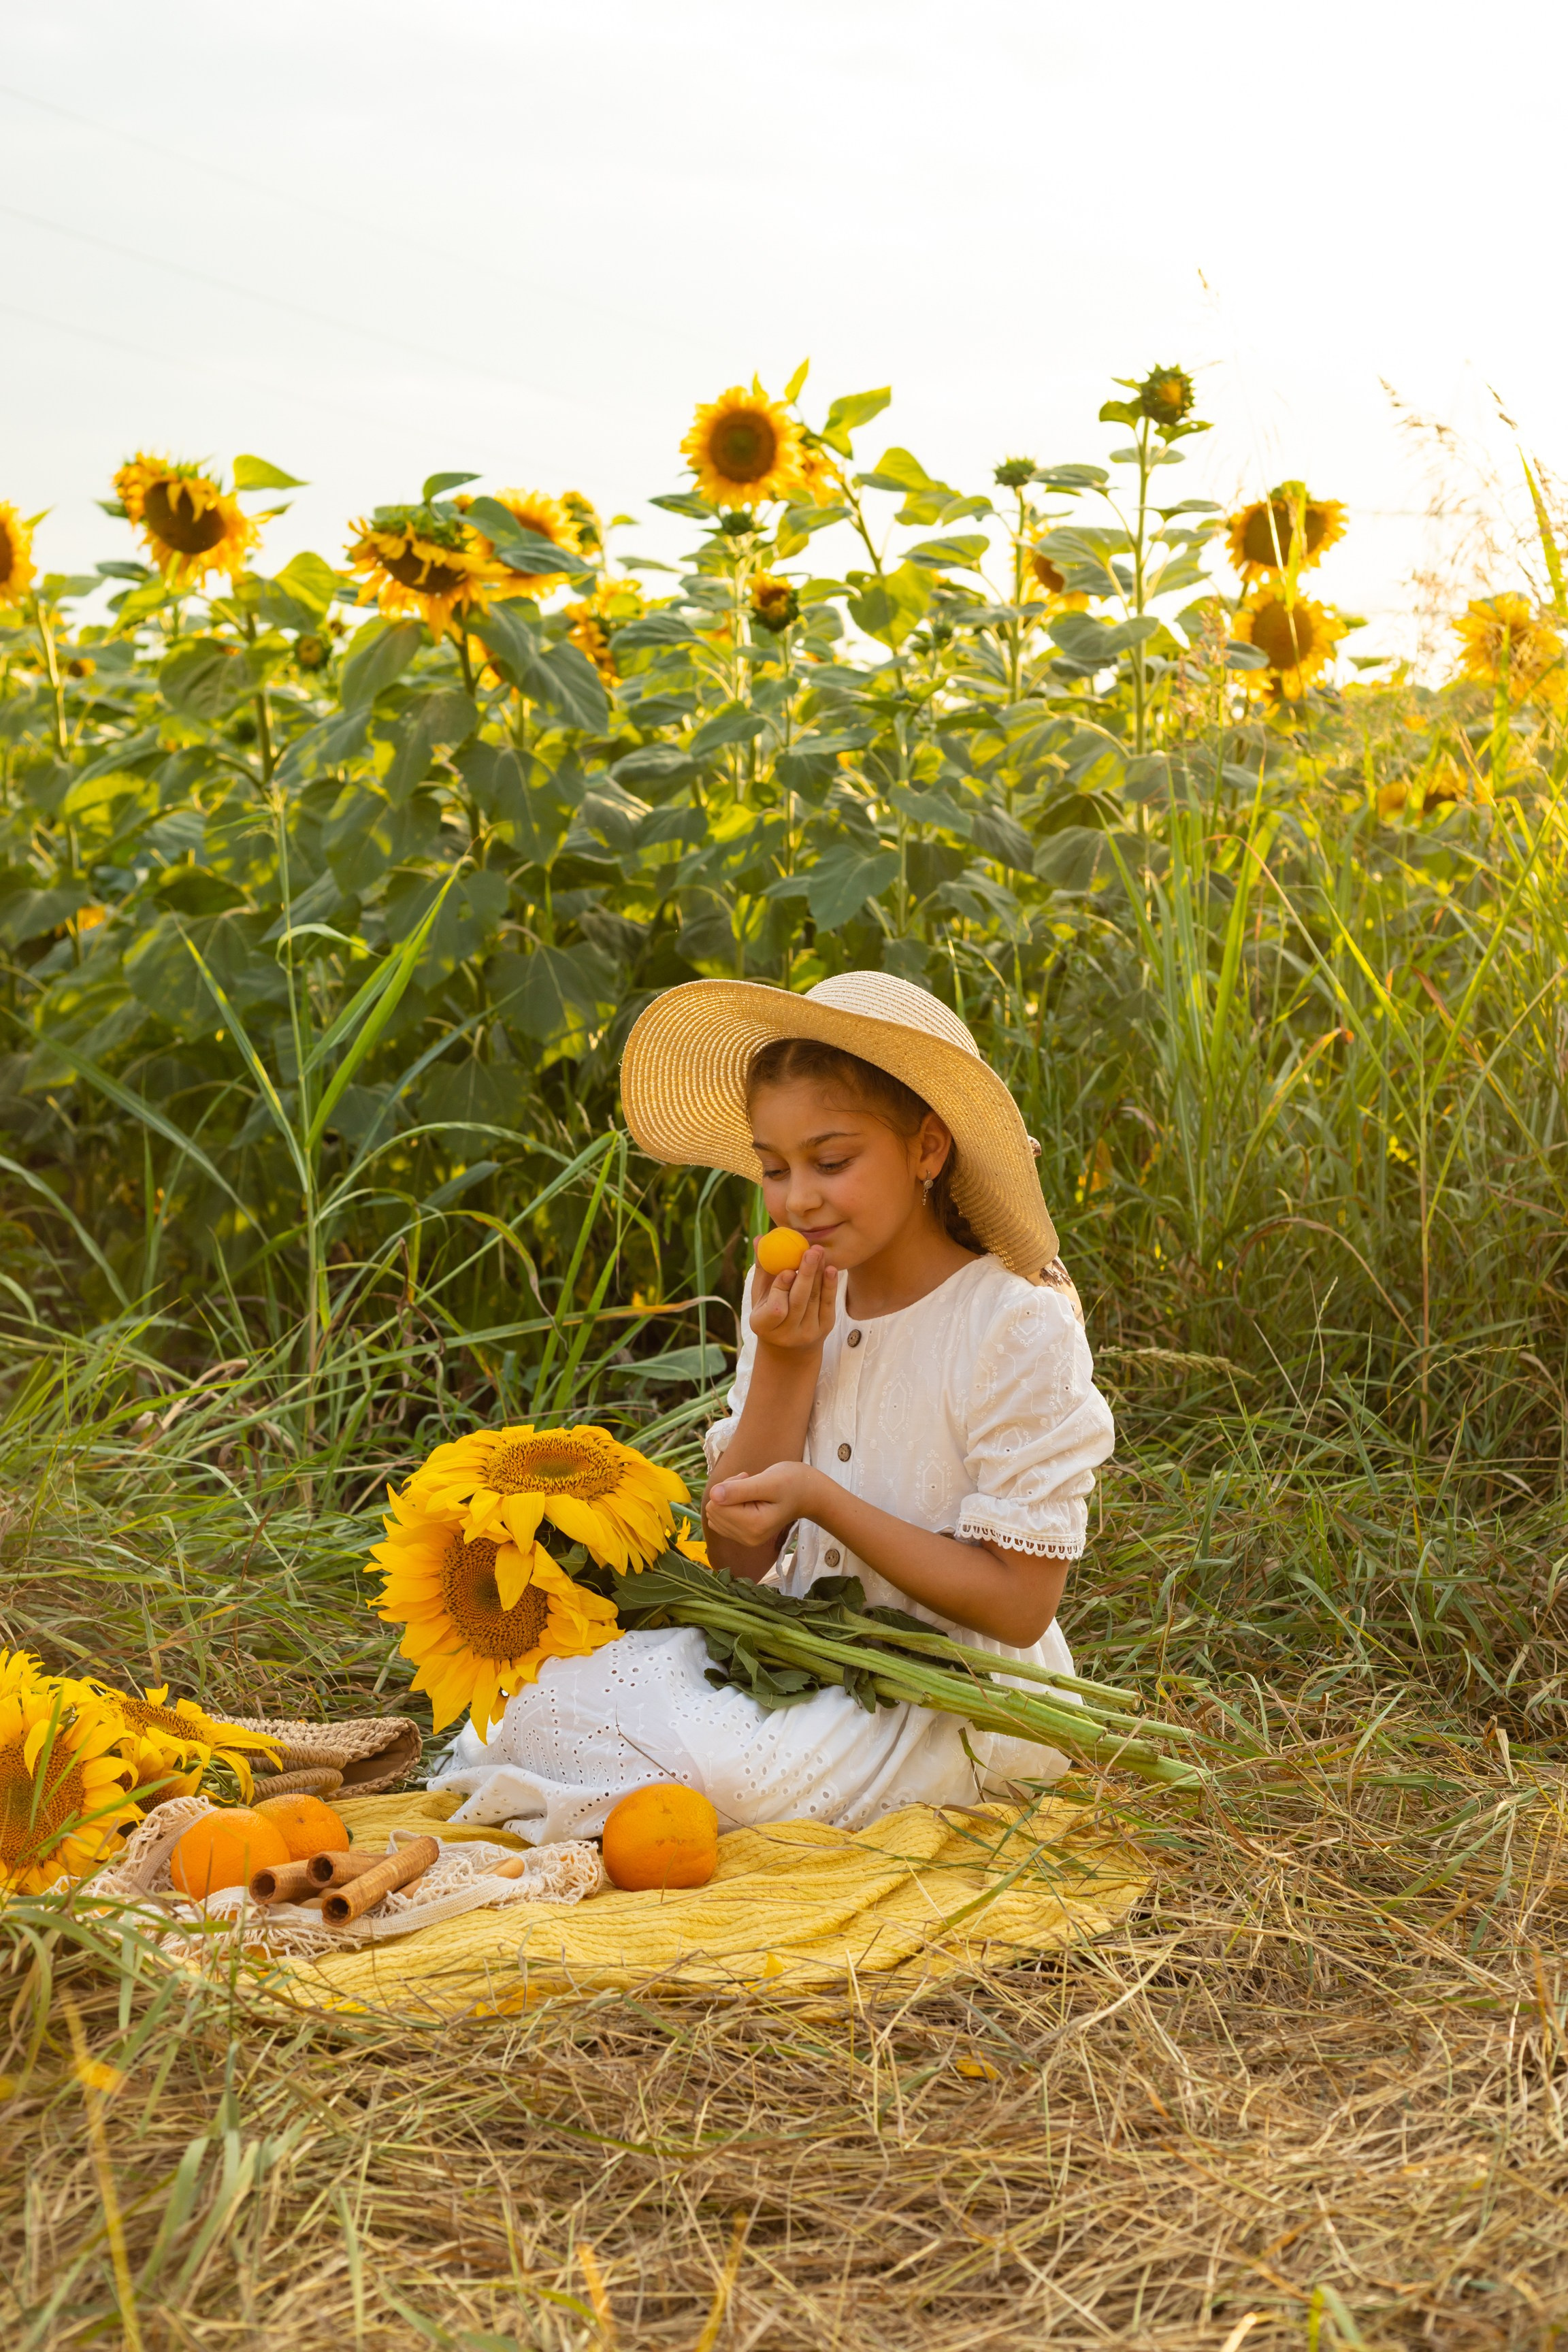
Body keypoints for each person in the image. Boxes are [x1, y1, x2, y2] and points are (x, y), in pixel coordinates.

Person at [430, 970, 1115, 1843]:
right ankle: (648, 1782)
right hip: (795, 1645)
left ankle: (671, 1790)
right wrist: (788, 1360)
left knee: (727, 1774)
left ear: (928, 1150)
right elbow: (738, 1564)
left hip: (954, 1683)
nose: (798, 1199)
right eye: (774, 1168)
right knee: (527, 1704)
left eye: (832, 1162)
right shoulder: (796, 1301)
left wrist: (827, 1503)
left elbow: (1020, 1606)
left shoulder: (1011, 1323)